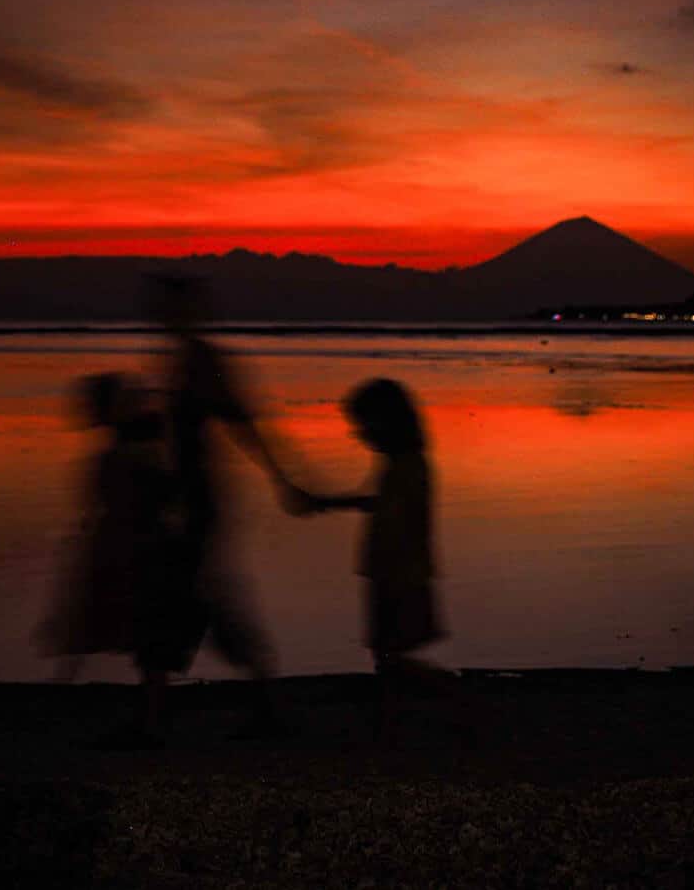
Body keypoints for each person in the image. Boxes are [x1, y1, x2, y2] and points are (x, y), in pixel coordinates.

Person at [153, 274, 301, 734]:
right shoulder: (179, 361)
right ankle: (262, 706)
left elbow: (244, 425)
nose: (165, 316)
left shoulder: (202, 361)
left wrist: (283, 480)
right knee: (194, 602)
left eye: (174, 307)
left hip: (199, 503)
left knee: (201, 603)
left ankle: (159, 719)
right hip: (184, 501)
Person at [295, 378, 466, 745]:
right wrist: (326, 503)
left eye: (365, 425)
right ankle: (389, 722)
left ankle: (456, 696)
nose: (359, 434)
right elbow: (375, 502)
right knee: (384, 654)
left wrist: (324, 503)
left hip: (400, 573)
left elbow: (391, 514)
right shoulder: (400, 463)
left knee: (393, 657)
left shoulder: (409, 466)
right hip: (386, 570)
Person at [35, 372, 195, 744]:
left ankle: (150, 723)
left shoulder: (131, 452)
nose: (84, 412)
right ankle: (149, 718)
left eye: (91, 405)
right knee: (143, 638)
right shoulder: (139, 448)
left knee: (144, 638)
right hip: (135, 547)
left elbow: (145, 500)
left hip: (136, 550)